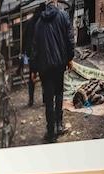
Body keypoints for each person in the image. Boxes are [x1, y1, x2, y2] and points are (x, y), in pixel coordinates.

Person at [30, 0, 75, 143]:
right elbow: (70, 39)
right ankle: (59, 125)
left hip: (44, 68)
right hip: (59, 65)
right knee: (59, 94)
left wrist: (33, 69)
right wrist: (69, 58)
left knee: (48, 99)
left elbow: (35, 48)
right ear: (55, 2)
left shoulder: (38, 23)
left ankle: (50, 132)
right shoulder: (63, 16)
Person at [22, 4, 45, 106]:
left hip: (32, 55)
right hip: (41, 54)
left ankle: (31, 100)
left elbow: (24, 39)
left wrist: (25, 53)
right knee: (44, 77)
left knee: (32, 78)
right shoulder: (43, 21)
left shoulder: (30, 22)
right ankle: (45, 99)